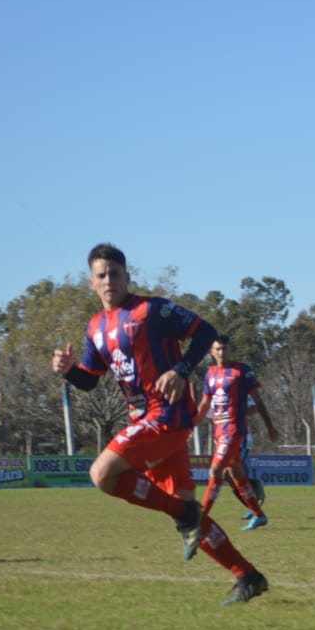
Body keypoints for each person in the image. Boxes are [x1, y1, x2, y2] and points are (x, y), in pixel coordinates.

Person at [51, 243, 268, 606]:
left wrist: (181, 370)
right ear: (91, 282)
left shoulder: (151, 310)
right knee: (187, 513)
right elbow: (90, 379)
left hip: (167, 417)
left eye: (115, 274)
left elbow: (206, 331)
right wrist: (68, 371)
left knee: (102, 474)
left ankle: (183, 514)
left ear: (127, 277)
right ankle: (247, 575)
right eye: (101, 275)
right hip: (147, 422)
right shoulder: (95, 327)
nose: (109, 281)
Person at [195, 335, 279, 531]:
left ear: (231, 350)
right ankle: (259, 515)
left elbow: (258, 401)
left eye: (225, 348)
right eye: (218, 349)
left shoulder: (242, 371)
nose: (222, 352)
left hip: (234, 430)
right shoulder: (210, 373)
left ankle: (199, 518)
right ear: (211, 352)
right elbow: (205, 403)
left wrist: (270, 427)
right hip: (219, 430)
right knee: (236, 474)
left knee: (216, 471)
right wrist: (191, 425)